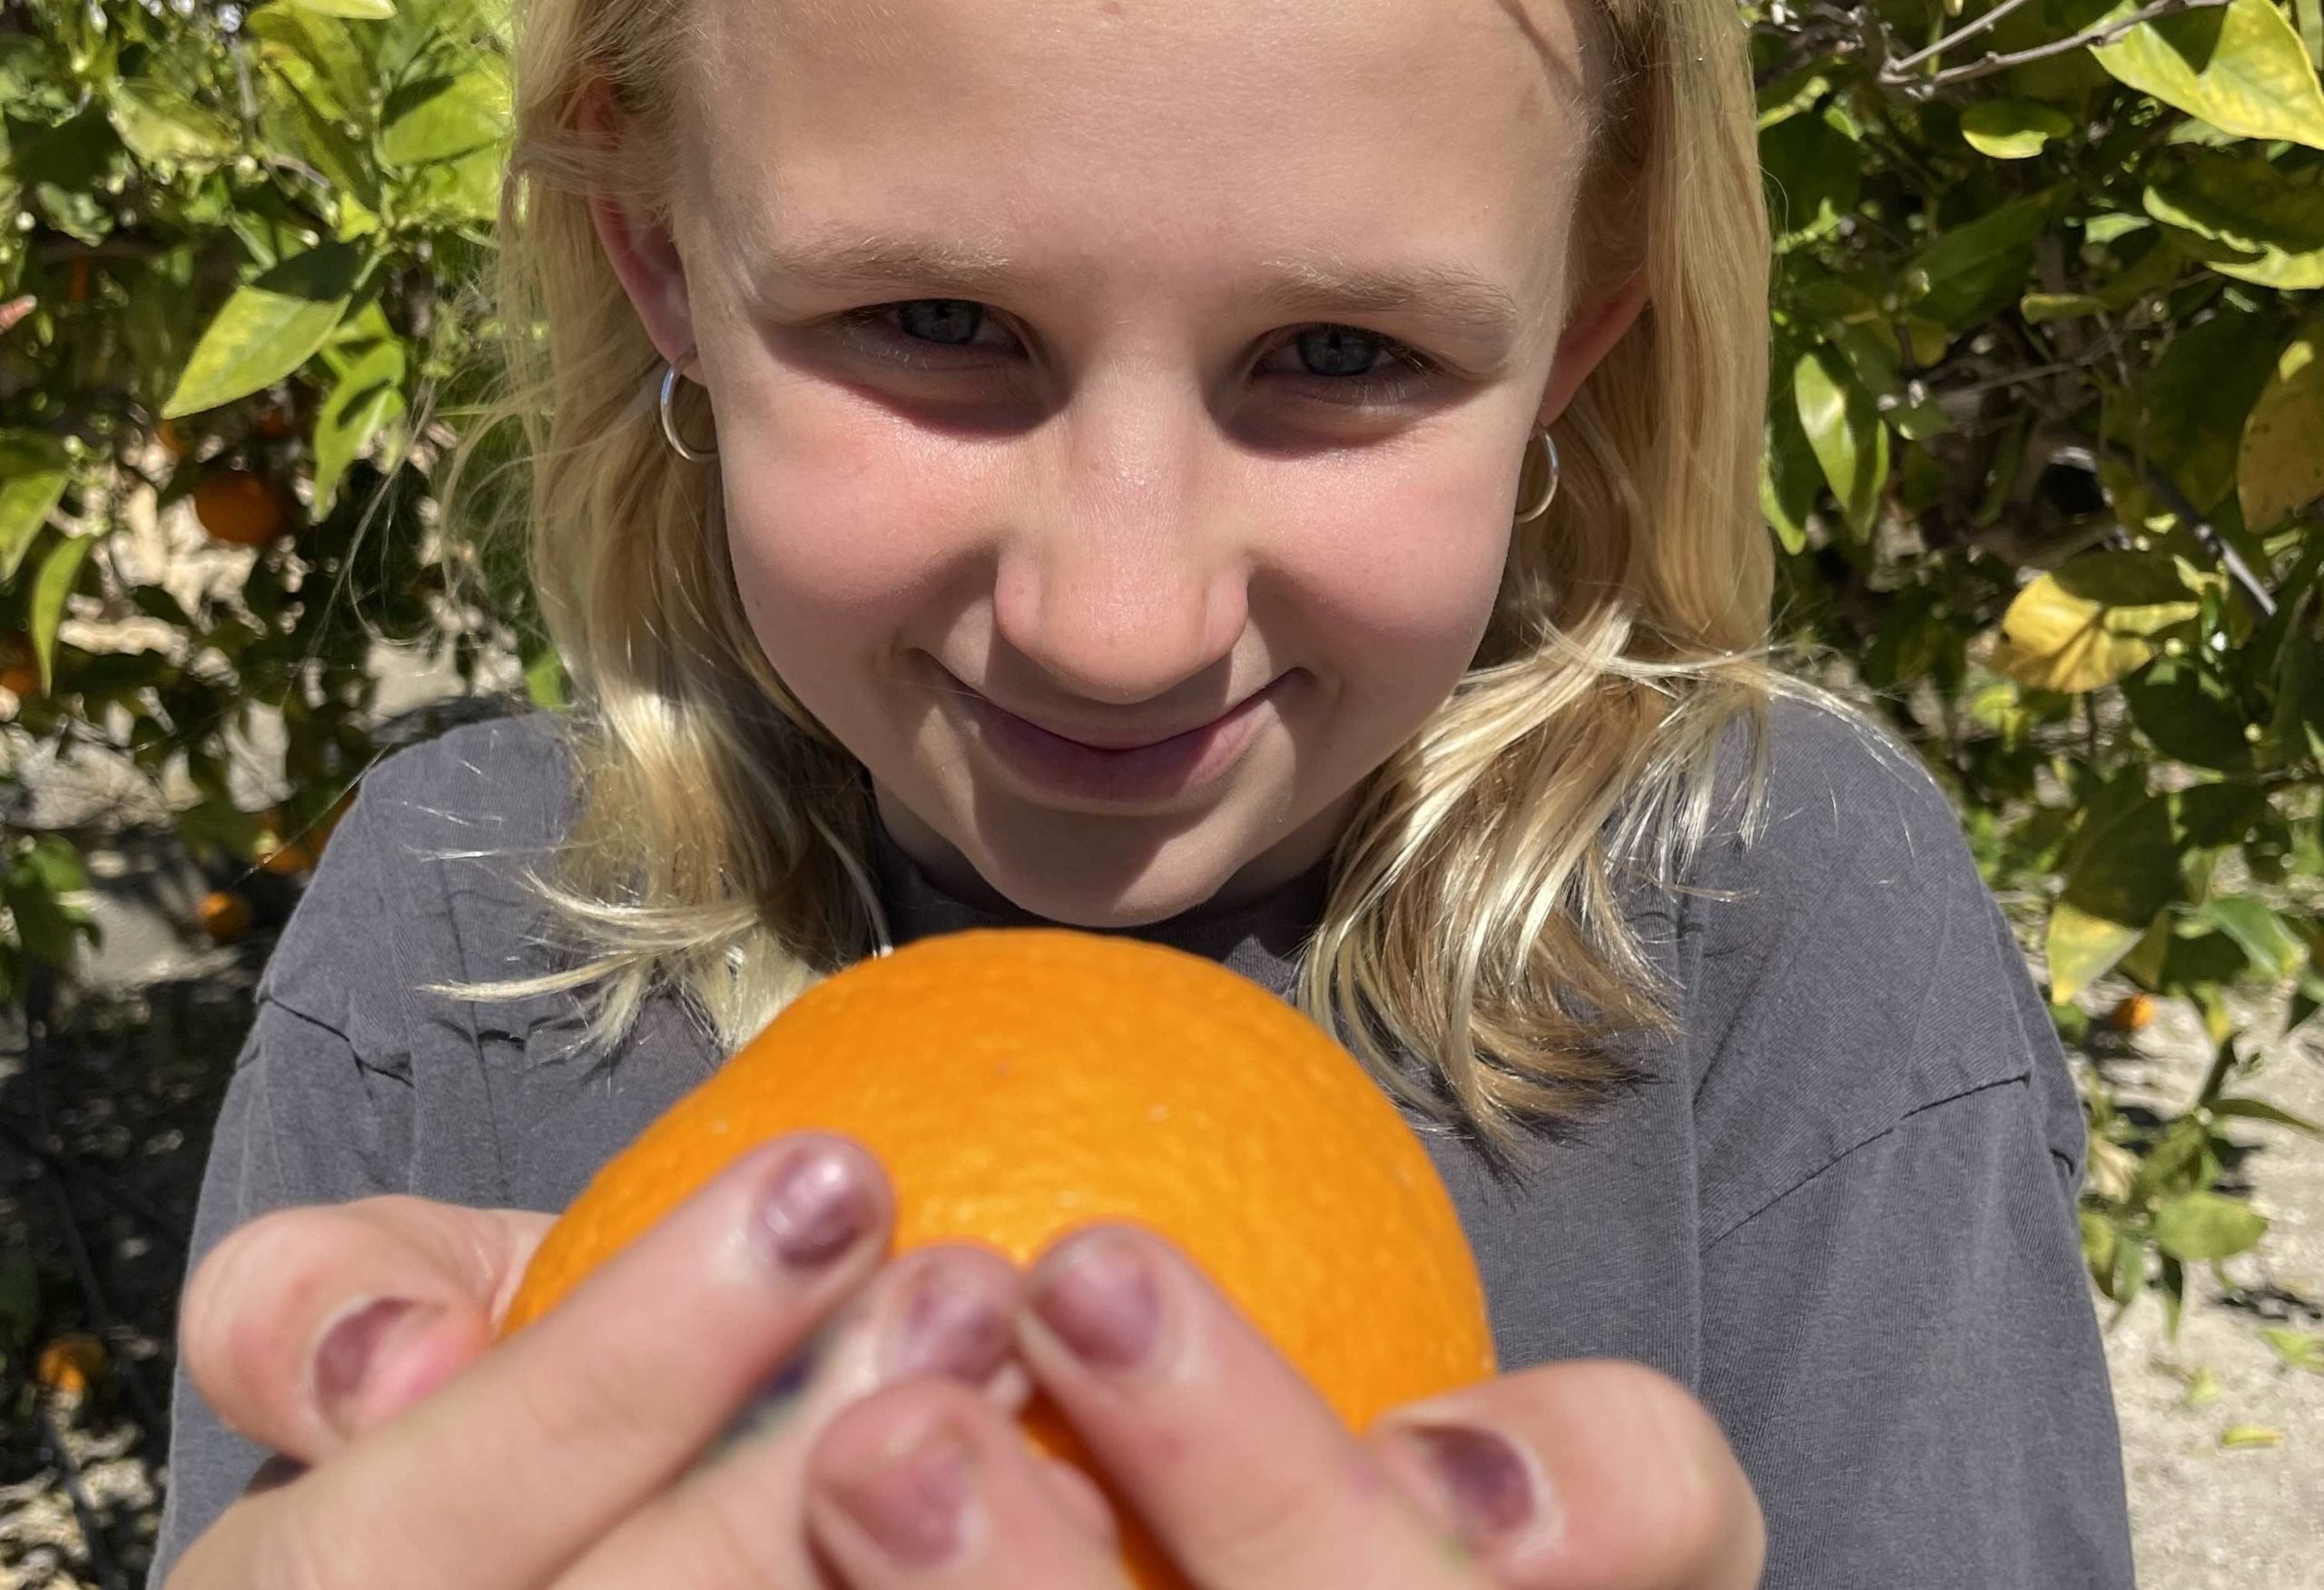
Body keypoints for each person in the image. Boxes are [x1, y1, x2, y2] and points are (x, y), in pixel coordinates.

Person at [143, 0, 2138, 1584]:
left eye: (1338, 352)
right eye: (934, 326)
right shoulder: (462, 926)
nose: (1114, 622)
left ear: (1570, 341)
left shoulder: (1761, 914)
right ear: (660, 261)